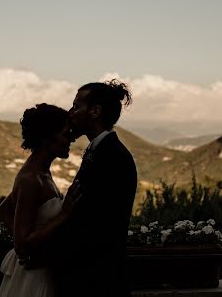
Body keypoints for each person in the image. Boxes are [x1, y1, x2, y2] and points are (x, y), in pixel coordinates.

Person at [48, 80, 138, 297]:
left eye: (76, 106)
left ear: (95, 112)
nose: (70, 113)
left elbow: (94, 225)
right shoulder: (101, 151)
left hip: (96, 281)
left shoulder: (112, 157)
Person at [0, 103, 81, 297]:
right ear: (46, 138)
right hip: (34, 276)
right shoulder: (32, 179)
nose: (71, 139)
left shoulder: (40, 172)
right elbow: (21, 242)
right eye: (66, 134)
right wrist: (64, 215)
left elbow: (3, 209)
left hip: (40, 267)